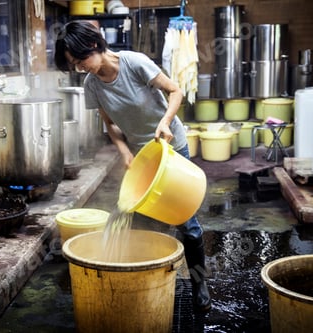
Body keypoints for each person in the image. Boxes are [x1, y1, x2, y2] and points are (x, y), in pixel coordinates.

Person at [55, 21, 211, 312]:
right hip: (142, 159)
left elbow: (176, 91)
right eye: (74, 65)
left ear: (93, 45)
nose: (80, 68)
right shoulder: (92, 85)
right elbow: (110, 124)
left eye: (81, 60)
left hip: (170, 149)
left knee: (186, 223)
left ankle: (199, 282)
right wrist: (124, 150)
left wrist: (164, 122)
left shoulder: (134, 63)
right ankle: (143, 285)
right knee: (138, 223)